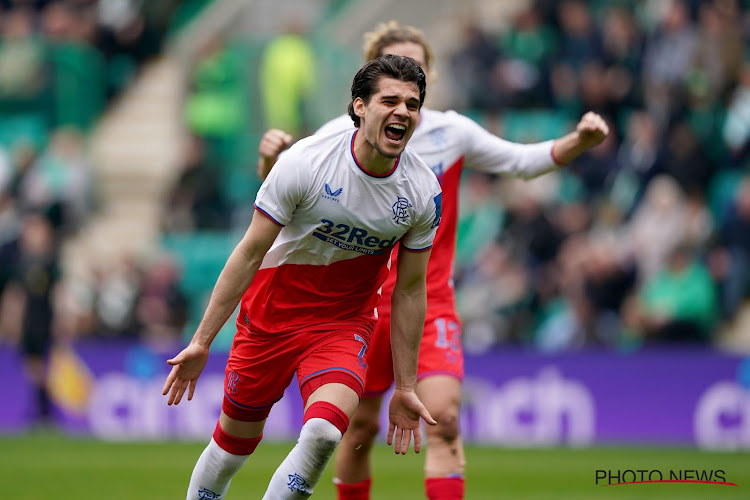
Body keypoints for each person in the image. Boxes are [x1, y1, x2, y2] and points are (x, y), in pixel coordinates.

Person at [257, 21, 609, 500]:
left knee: (443, 419)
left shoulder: (451, 133)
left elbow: (524, 161)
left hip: (429, 300)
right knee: (357, 428)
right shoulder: (339, 136)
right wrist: (267, 160)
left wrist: (580, 141)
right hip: (360, 308)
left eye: (418, 66)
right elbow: (280, 193)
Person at [162, 54, 442, 500]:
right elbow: (250, 252)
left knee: (324, 435)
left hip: (343, 325)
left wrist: (406, 386)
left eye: (412, 104)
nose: (402, 112)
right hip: (270, 320)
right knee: (233, 448)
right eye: (390, 100)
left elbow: (409, 289)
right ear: (360, 107)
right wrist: (201, 340)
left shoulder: (423, 192)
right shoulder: (305, 164)